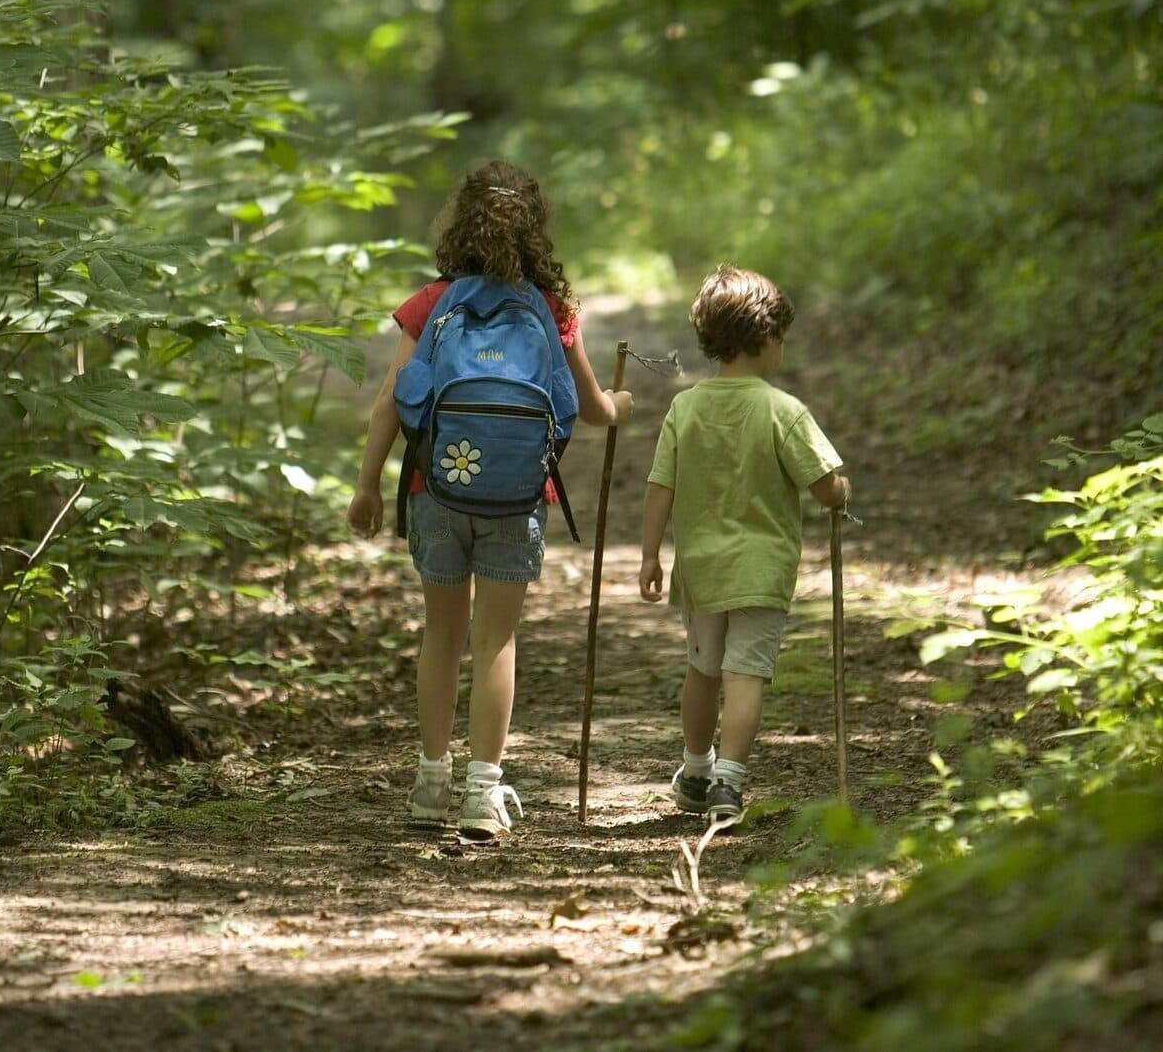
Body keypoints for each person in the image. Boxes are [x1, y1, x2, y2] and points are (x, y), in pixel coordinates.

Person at [348, 160, 634, 840]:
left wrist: (367, 486)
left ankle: (429, 782)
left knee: (442, 635)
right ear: (535, 230)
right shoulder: (553, 308)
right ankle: (483, 793)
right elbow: (593, 410)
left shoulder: (432, 302)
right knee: (496, 638)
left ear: (460, 224)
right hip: (515, 499)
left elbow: (392, 399)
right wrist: (619, 403)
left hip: (435, 490)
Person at [638, 265, 849, 827]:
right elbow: (825, 486)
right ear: (766, 337)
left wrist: (650, 554)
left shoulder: (686, 408)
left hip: (702, 568)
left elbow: (661, 484)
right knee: (746, 675)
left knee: (703, 670)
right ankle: (729, 782)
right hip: (761, 570)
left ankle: (695, 769)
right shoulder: (783, 411)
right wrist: (842, 491)